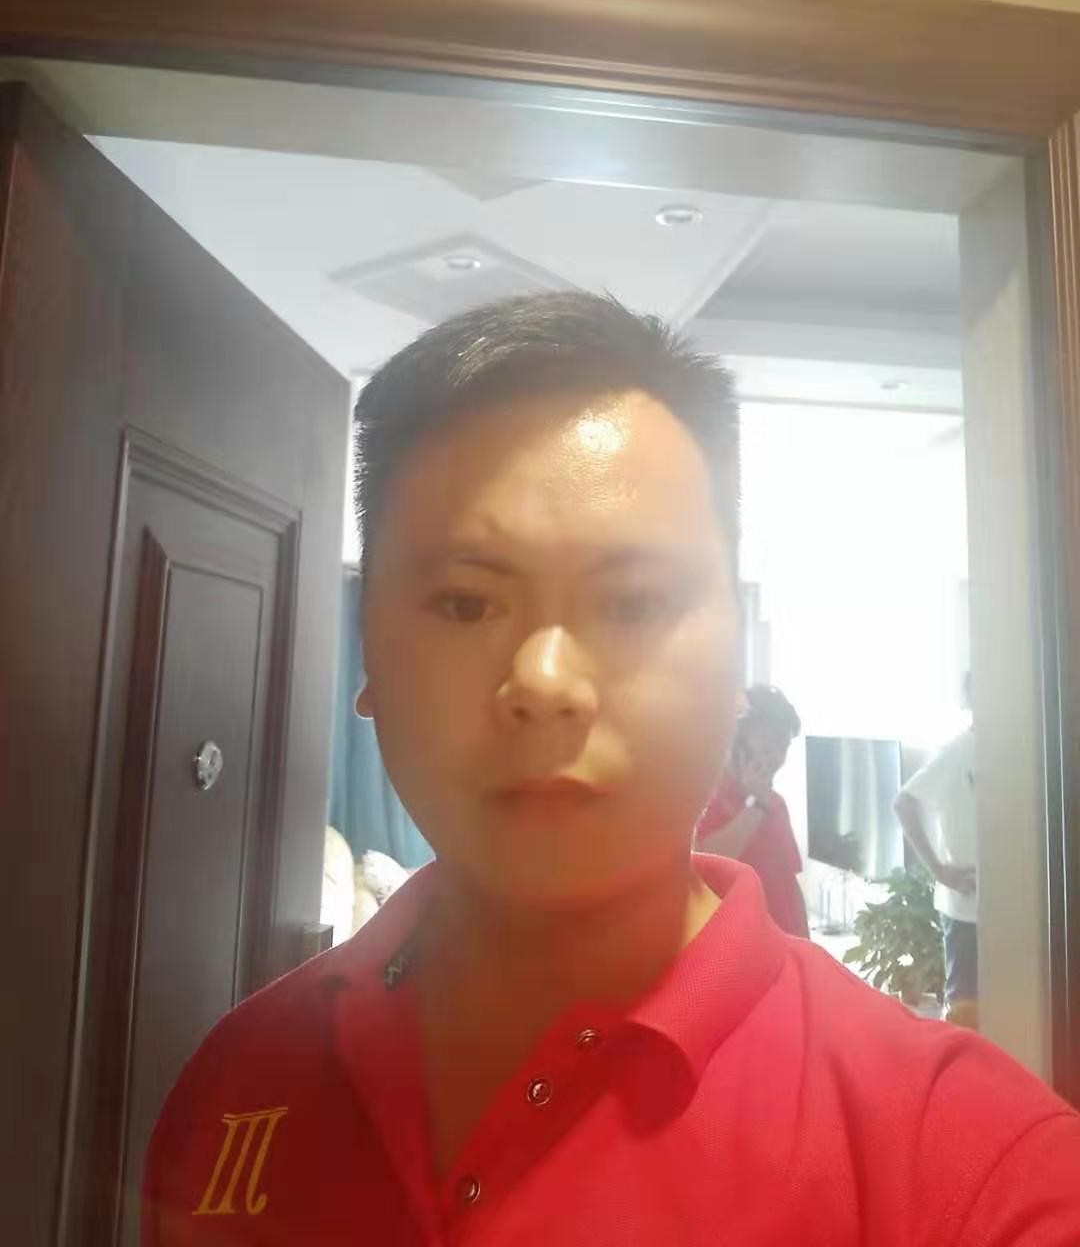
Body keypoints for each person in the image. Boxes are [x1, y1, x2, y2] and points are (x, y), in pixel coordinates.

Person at [143, 292, 1079, 1246]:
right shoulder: (238, 1079)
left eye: (632, 604)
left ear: (737, 671)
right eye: (465, 604)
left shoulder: (964, 1162)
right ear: (368, 657)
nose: (545, 683)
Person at [696, 684, 810, 937]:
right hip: (738, 946)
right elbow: (704, 870)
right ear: (736, 742)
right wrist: (756, 806)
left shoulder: (776, 805)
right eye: (767, 747)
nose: (775, 758)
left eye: (783, 748)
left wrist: (807, 947)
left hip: (783, 945)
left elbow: (789, 884)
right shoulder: (702, 800)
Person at [894, 699, 978, 1027]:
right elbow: (903, 803)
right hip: (965, 908)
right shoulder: (958, 750)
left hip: (1004, 910)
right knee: (965, 1009)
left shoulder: (1011, 749)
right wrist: (940, 871)